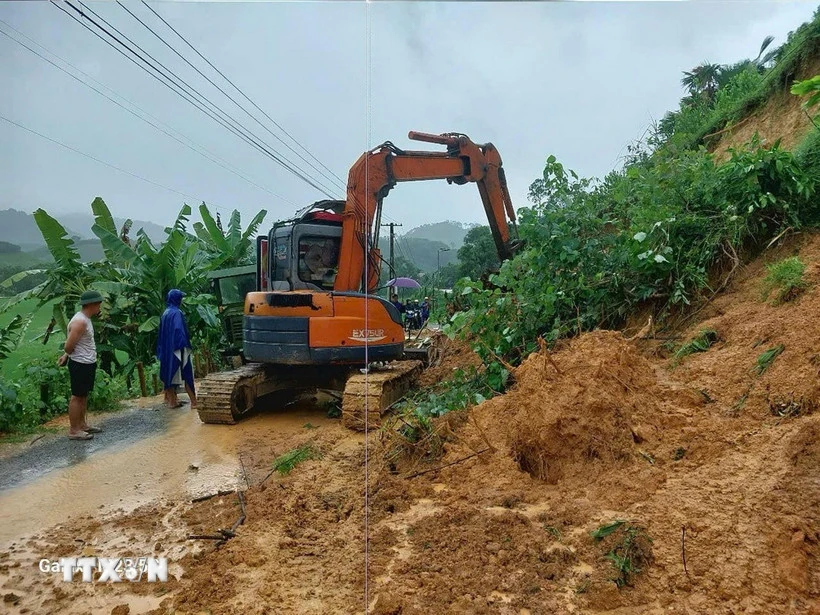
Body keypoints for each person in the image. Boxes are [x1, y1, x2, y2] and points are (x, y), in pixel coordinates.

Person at [57, 289, 104, 440]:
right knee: (77, 396)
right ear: (92, 304)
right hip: (80, 363)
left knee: (83, 395)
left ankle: (82, 425)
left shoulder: (85, 319)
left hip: (87, 362)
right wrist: (67, 355)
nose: (100, 307)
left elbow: (73, 345)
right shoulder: (80, 322)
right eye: (98, 304)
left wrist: (66, 356)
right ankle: (74, 430)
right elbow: (68, 346)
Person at [156, 289, 197, 409]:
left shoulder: (165, 313)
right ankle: (194, 402)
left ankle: (171, 401)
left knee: (169, 373)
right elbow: (179, 331)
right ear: (177, 299)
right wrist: (184, 346)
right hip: (179, 347)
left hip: (167, 349)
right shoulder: (177, 313)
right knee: (187, 373)